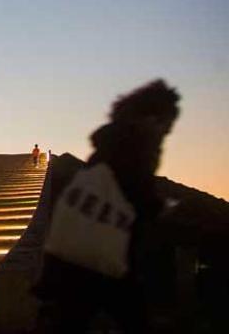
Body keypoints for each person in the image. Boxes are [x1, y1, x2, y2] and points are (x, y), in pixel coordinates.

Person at [34, 80, 180, 333]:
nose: (167, 130)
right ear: (152, 117)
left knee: (69, 320)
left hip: (68, 249)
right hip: (103, 254)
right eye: (166, 123)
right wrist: (161, 208)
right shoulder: (139, 143)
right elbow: (135, 191)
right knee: (135, 318)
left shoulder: (109, 139)